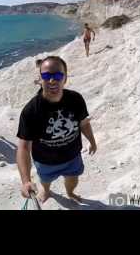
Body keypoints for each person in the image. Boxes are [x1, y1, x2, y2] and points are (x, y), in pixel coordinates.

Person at [16, 55, 97, 204]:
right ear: (40, 79)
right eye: (46, 76)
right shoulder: (30, 111)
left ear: (65, 78)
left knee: (73, 179)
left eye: (57, 75)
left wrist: (92, 141)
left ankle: (70, 192)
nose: (52, 80)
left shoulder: (76, 99)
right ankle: (46, 191)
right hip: (45, 162)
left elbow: (84, 123)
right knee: (45, 181)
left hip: (73, 156)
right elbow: (23, 147)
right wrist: (26, 181)